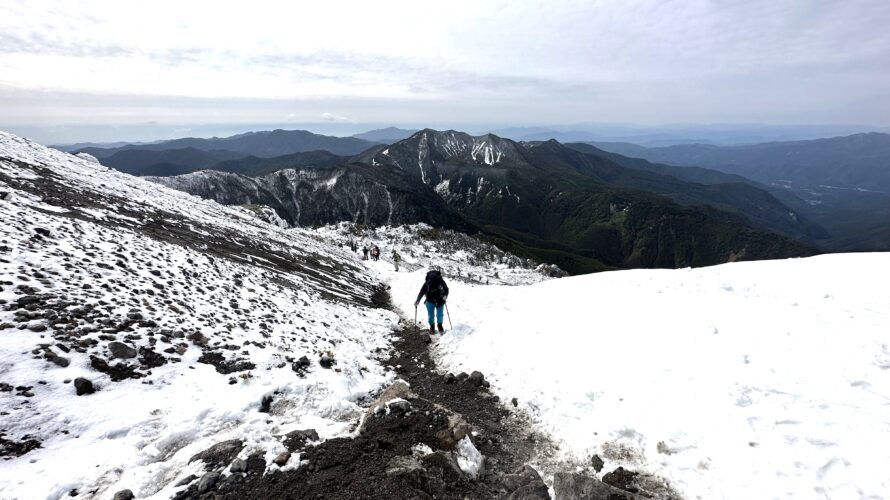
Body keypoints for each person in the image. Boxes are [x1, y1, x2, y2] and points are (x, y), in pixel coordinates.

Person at [414, 268, 449, 334]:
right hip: (432, 300)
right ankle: (434, 326)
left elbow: (446, 289)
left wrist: (445, 296)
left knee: (437, 315)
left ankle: (438, 325)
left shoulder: (440, 282)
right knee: (434, 315)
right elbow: (422, 292)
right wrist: (418, 300)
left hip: (439, 300)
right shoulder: (428, 282)